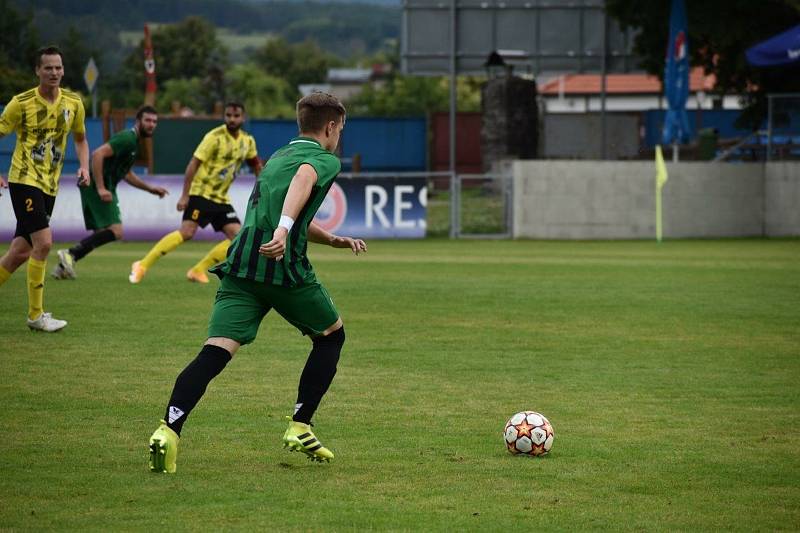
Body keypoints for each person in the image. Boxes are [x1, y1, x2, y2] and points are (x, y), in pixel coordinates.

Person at [149, 92, 366, 473]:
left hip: (241, 265)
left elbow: (284, 203)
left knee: (215, 351)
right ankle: (300, 425)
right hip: (282, 269)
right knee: (331, 335)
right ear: (331, 127)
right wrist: (284, 232)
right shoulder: (322, 159)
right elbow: (304, 181)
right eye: (340, 130)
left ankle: (168, 430)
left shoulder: (279, 156)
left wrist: (331, 238)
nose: (339, 137)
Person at [0, 45, 90, 332]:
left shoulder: (73, 104)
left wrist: (84, 166)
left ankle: (36, 315)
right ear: (37, 71)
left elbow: (80, 139)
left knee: (18, 254)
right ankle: (36, 316)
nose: (54, 72)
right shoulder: (21, 103)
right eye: (48, 67)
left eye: (58, 67)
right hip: (24, 180)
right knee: (45, 244)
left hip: (49, 186)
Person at [129, 102, 261, 284]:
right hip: (201, 193)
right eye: (228, 115)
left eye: (236, 116)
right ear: (224, 116)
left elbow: (256, 166)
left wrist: (263, 189)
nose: (232, 119)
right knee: (187, 232)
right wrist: (185, 195)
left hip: (221, 198)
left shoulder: (248, 141)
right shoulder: (214, 137)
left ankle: (198, 270)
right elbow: (193, 164)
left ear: (243, 117)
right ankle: (142, 265)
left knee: (239, 238)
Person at [52, 106, 167, 279]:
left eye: (154, 121)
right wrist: (100, 187)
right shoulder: (128, 138)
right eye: (148, 120)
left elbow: (126, 173)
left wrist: (150, 189)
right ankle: (70, 254)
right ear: (138, 121)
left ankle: (64, 265)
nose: (151, 124)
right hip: (97, 185)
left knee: (103, 231)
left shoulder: (134, 142)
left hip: (103, 185)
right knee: (116, 231)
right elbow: (98, 154)